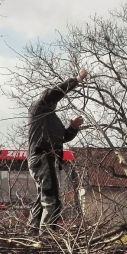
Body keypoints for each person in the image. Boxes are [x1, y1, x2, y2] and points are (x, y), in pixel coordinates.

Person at [27, 68, 88, 233]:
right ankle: (47, 236)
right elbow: (56, 92)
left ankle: (32, 232)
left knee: (43, 199)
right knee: (52, 201)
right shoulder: (39, 109)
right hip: (41, 157)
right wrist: (76, 79)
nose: (55, 104)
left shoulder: (53, 120)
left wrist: (73, 128)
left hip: (47, 159)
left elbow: (63, 138)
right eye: (53, 101)